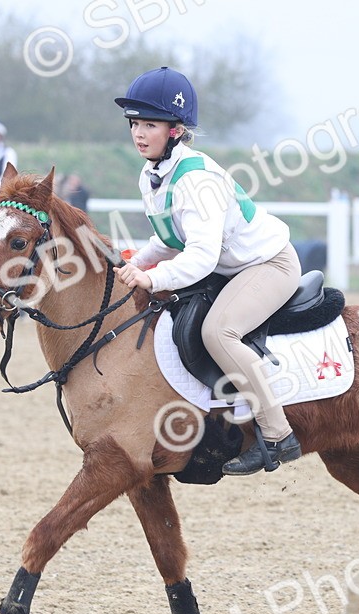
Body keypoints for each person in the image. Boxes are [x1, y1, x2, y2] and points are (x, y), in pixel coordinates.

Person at [112, 66, 303, 476]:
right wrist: (134, 264)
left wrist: (153, 278)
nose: (139, 133)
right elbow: (168, 241)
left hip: (270, 264)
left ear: (176, 131)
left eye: (150, 124)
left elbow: (199, 255)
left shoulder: (195, 179)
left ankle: (277, 434)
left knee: (218, 331)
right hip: (231, 268)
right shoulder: (152, 174)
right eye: (134, 123)